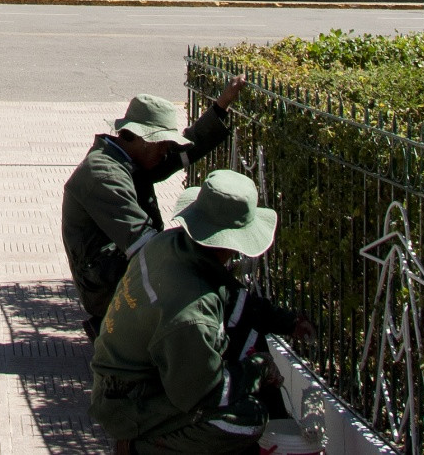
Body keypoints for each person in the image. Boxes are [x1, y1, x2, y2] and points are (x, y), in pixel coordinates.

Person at [90, 167, 307, 455]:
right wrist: (257, 370)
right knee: (247, 419)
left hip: (121, 385)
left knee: (243, 335)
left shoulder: (171, 244)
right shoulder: (192, 312)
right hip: (130, 404)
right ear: (231, 243)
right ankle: (139, 447)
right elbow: (204, 393)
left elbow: (234, 297)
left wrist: (287, 322)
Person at [62, 83, 243, 340]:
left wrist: (220, 107)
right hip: (106, 286)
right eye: (163, 144)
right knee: (187, 283)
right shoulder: (103, 174)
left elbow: (186, 151)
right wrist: (203, 260)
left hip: (119, 271)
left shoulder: (130, 158)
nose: (167, 151)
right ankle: (118, 330)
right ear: (143, 139)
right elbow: (147, 245)